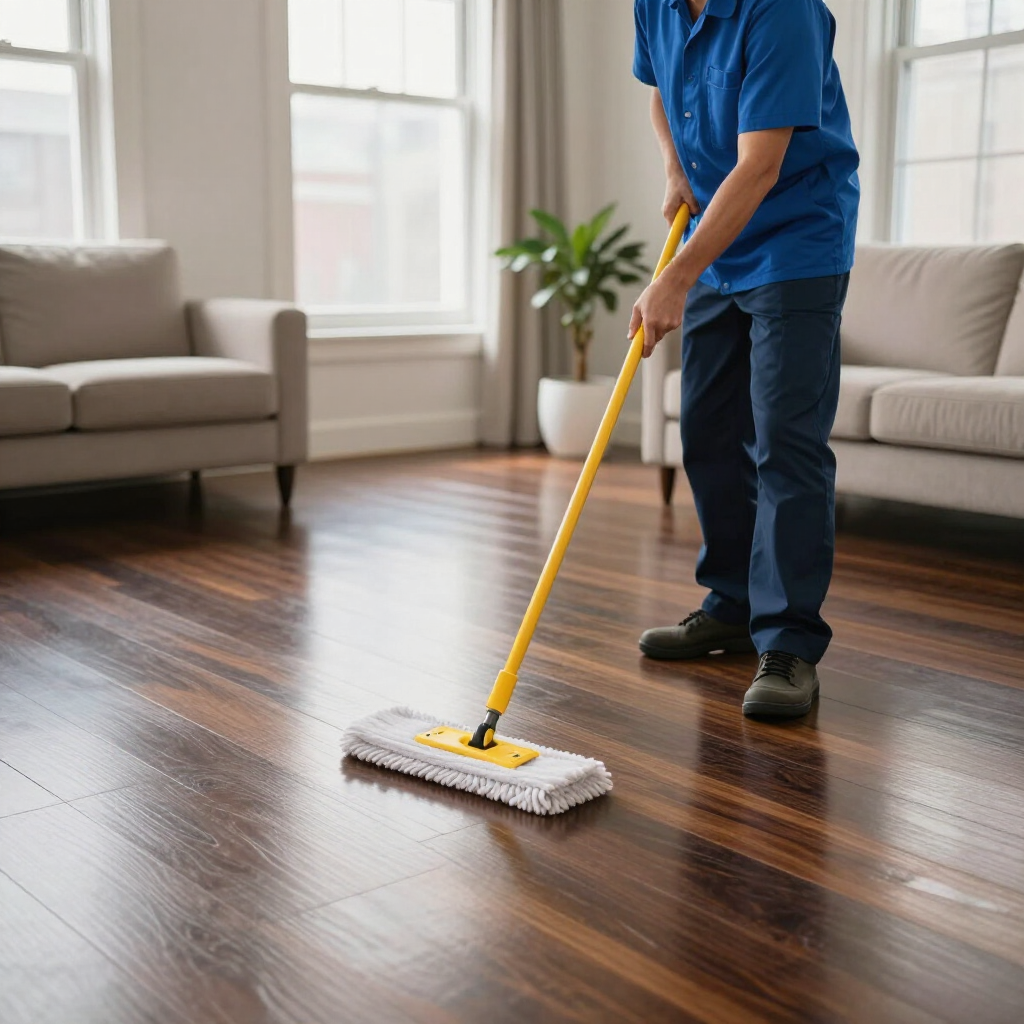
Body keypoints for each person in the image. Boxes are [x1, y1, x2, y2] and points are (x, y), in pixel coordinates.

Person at [630, 0, 860, 718]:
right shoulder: (653, 4)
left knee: (785, 443)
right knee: (705, 429)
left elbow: (761, 166)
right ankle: (731, 603)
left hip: (794, 242)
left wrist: (676, 275)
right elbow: (661, 92)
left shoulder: (781, 11)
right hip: (717, 241)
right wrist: (674, 168)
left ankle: (789, 643)